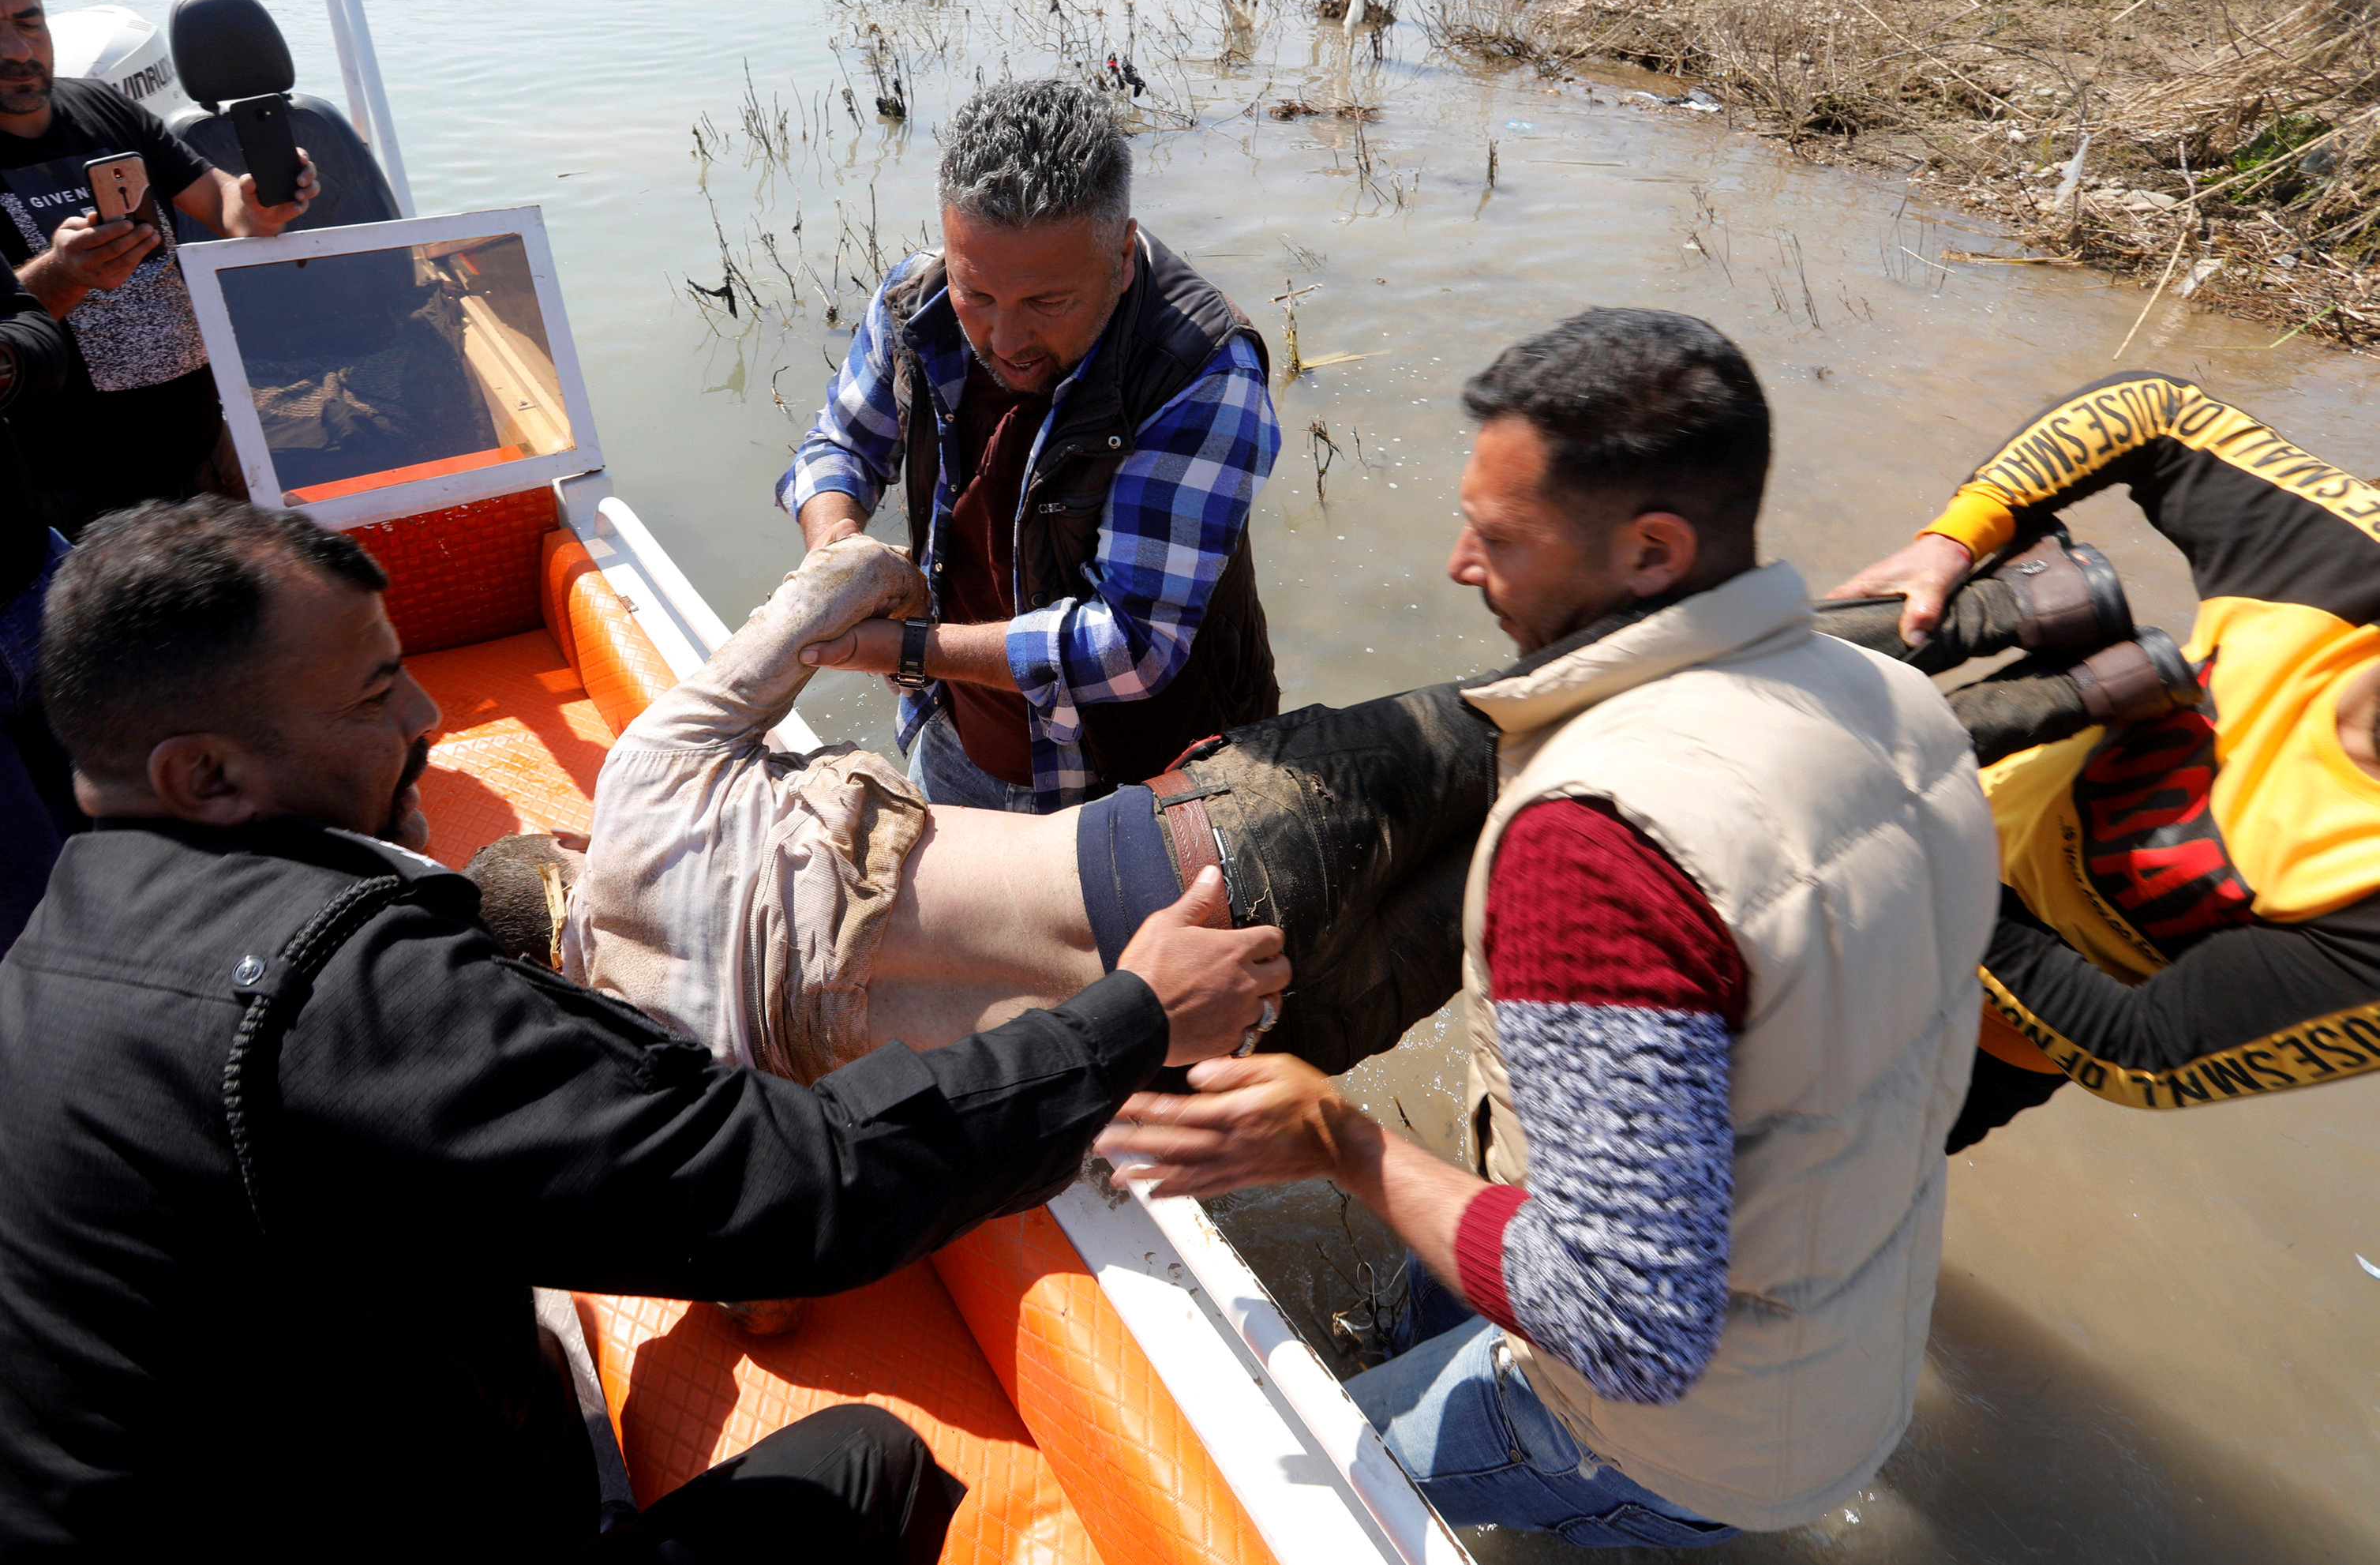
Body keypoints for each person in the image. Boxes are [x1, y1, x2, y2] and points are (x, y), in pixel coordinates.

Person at [0, 497, 1290, 1559]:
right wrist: (1133, 1019)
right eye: (374, 693)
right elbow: (800, 1186)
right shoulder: (346, 992)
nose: (426, 720)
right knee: (870, 1465)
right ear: (207, 774)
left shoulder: (42, 961)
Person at [1096, 310, 2001, 1547]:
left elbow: (1626, 1324)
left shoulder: (1599, 845)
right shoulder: (1897, 703)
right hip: (1845, 1355)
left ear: (1649, 551)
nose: (1460, 565)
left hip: (1665, 1430)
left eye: (1500, 537)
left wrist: (1339, 1139)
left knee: (1259, 1487)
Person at [538, 521, 1493, 1085]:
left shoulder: (668, 1068)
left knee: (1533, 879)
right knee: (1549, 720)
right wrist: (908, 611)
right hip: (1222, 844)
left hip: (1224, 1044)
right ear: (562, 848)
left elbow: (764, 1293)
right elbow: (848, 575)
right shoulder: (641, 788)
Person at [1825, 370, 2380, 1147]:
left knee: (1750, 1230)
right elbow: (2154, 411)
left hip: (1975, 1029)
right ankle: (2032, 641)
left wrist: (1922, 870)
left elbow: (2139, 1052)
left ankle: (2061, 660)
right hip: (1903, 823)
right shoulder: (2348, 554)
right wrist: (1957, 538)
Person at [781, 77, 1280, 812]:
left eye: (1047, 304)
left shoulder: (1200, 373)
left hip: (1148, 785)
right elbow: (840, 448)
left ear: (1122, 255)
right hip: (952, 738)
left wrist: (910, 649)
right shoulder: (916, 302)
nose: (1005, 341)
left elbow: (1132, 643)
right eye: (976, 295)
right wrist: (838, 554)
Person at [0, 0, 320, 537]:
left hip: (205, 452)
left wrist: (259, 204)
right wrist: (64, 276)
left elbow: (225, 205)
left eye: (29, 21)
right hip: (73, 499)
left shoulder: (102, 106)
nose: (18, 49)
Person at [0, 253, 71, 951]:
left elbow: (25, 318)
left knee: (154, 851)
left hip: (41, 590)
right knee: (27, 922)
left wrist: (3, 357)